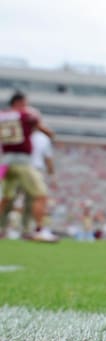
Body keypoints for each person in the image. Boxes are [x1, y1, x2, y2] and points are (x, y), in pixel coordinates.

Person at [0, 91, 57, 242]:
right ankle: (39, 229)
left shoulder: (3, 115)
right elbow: (48, 132)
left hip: (5, 162)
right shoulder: (25, 115)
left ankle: (1, 228)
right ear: (19, 103)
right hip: (22, 161)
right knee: (40, 195)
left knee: (5, 197)